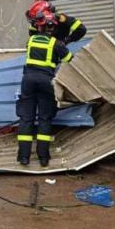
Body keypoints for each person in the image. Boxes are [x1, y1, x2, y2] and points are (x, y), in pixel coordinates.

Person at [16, 10, 73, 168]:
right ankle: (43, 158)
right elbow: (69, 59)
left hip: (28, 81)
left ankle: (24, 157)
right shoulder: (56, 44)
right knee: (44, 118)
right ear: (53, 28)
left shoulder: (31, 41)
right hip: (46, 82)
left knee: (26, 118)